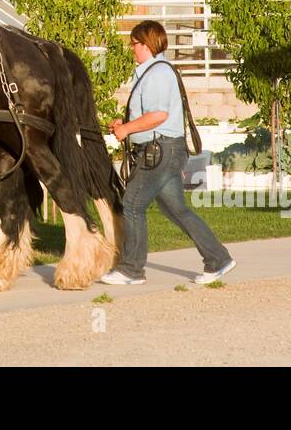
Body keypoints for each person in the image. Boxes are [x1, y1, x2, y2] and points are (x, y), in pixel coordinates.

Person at [100, 20, 236, 286]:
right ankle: (218, 259)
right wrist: (124, 123)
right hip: (164, 149)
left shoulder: (157, 74)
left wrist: (127, 129)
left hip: (159, 150)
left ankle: (131, 270)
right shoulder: (153, 72)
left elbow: (159, 115)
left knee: (132, 205)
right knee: (177, 210)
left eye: (135, 44)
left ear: (147, 45)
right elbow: (151, 114)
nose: (132, 49)